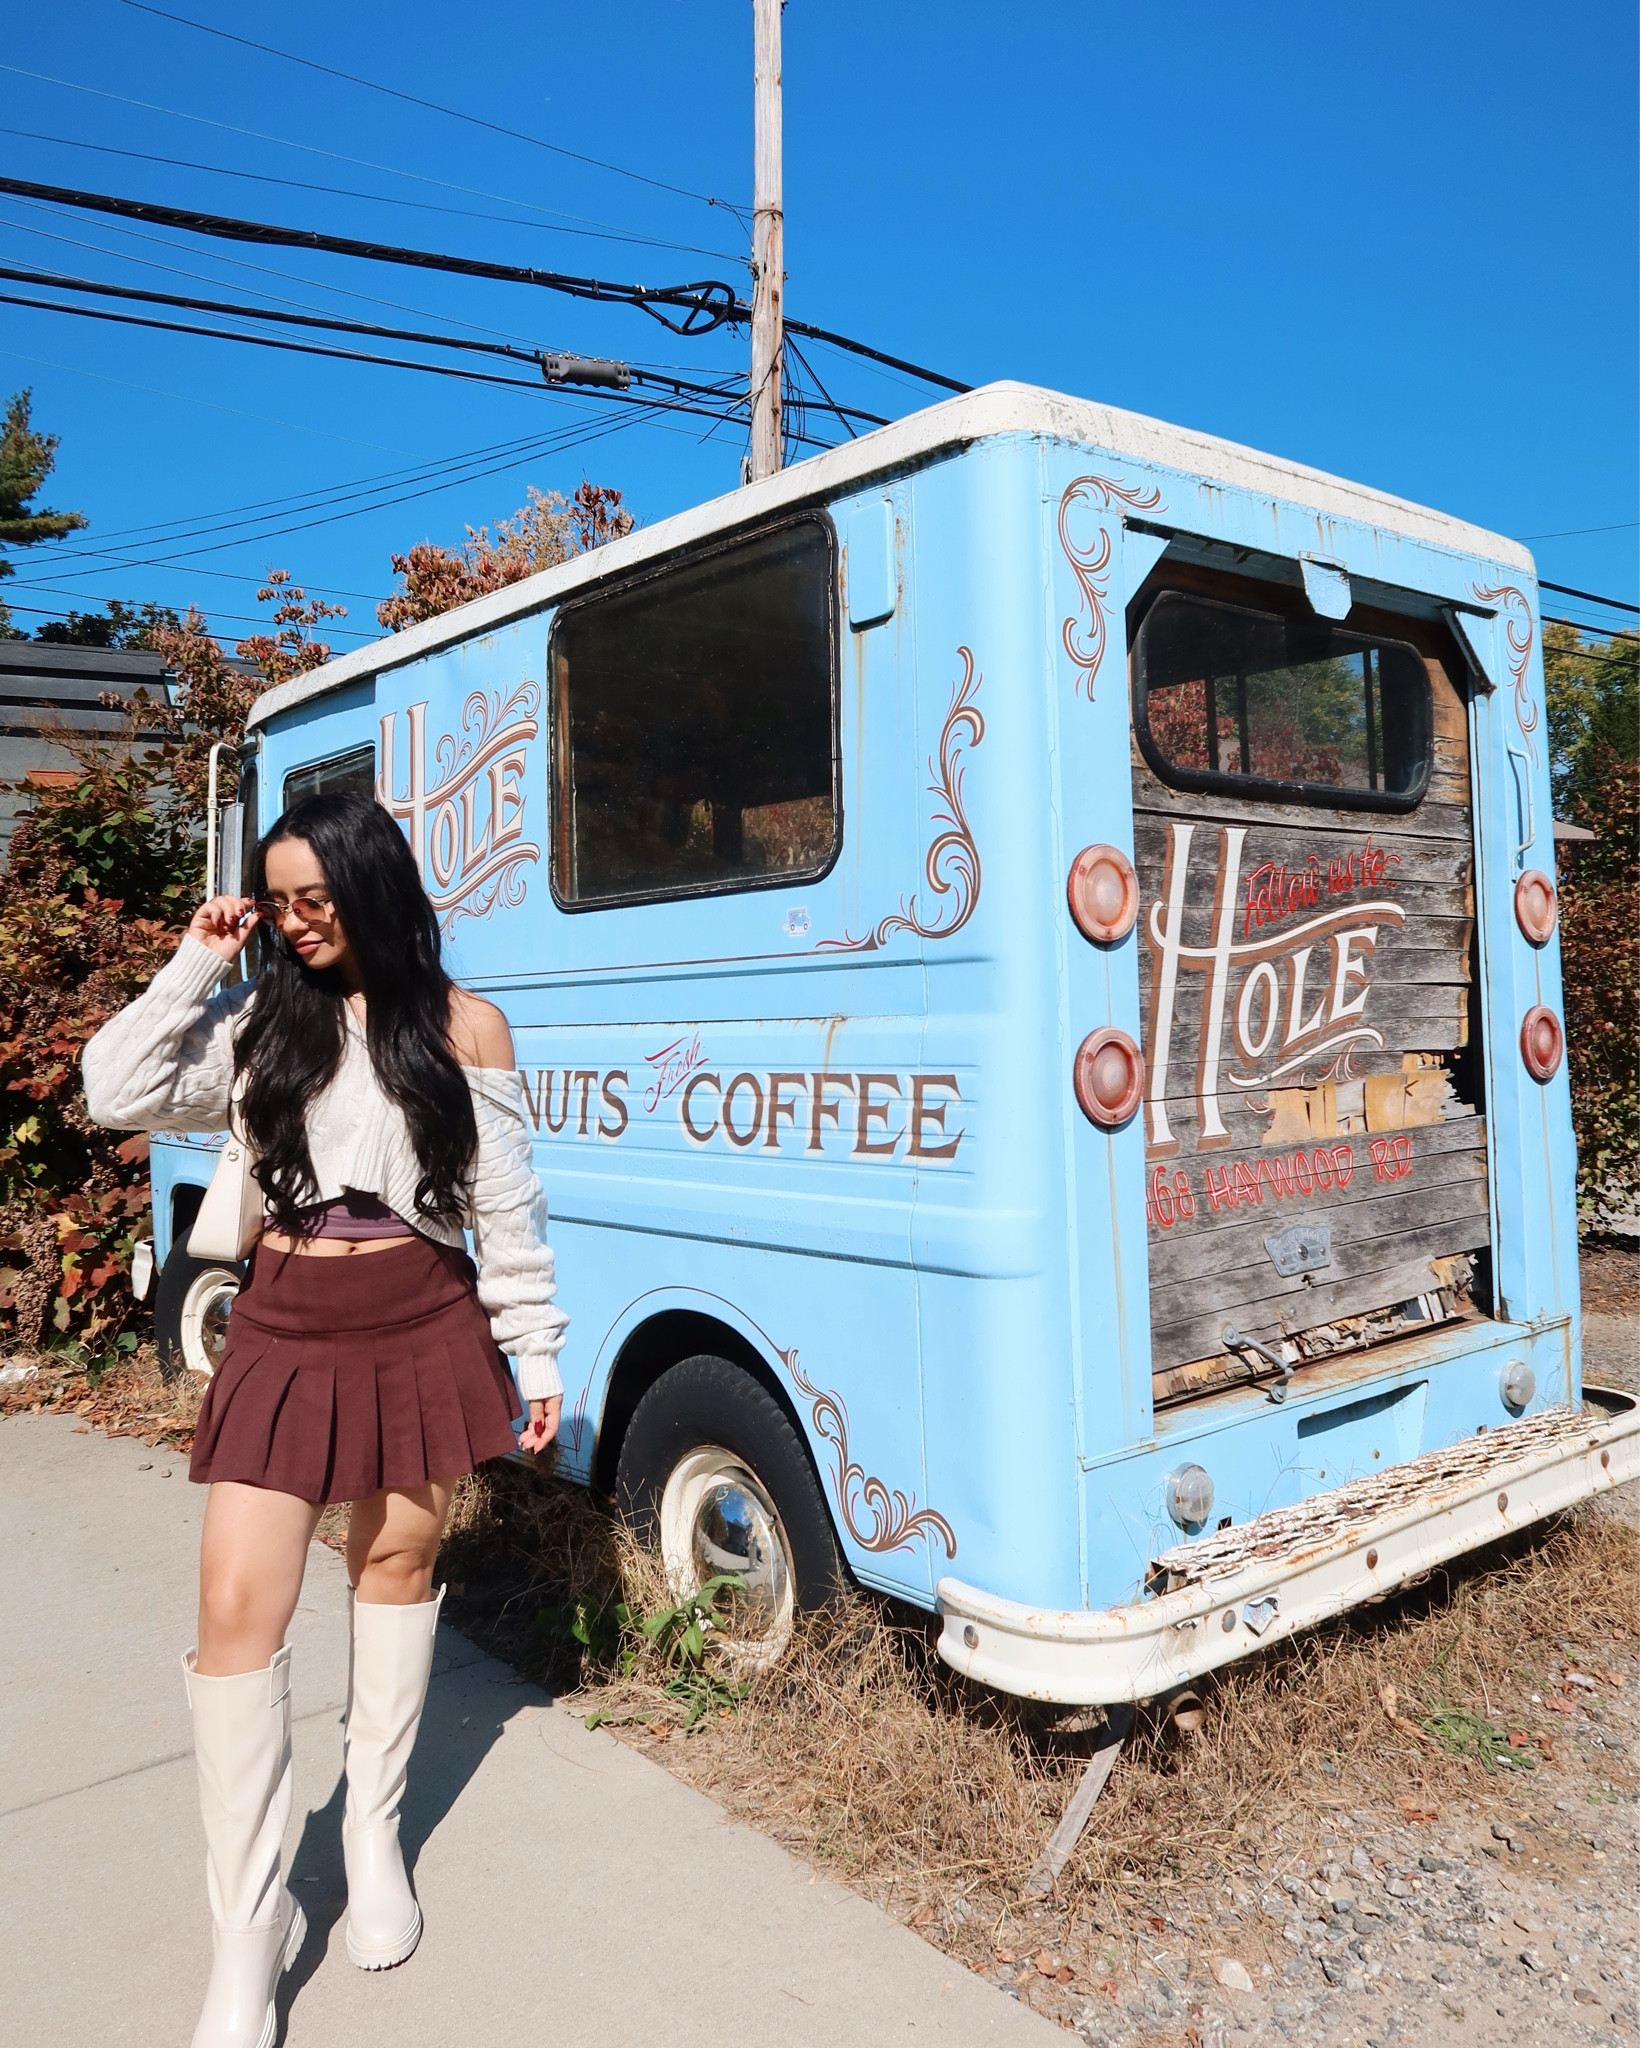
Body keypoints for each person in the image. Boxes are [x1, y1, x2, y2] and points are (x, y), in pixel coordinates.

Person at [83, 790, 567, 2048]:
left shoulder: (464, 1026)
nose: (295, 924)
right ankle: (247, 1941)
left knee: (394, 1568)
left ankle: (369, 1832)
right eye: (279, 901)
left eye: (316, 899)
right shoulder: (255, 1025)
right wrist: (200, 951)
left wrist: (535, 1350)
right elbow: (111, 1087)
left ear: (373, 887)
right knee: (237, 1617)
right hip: (288, 1326)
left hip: (423, 1320)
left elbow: (504, 1209)